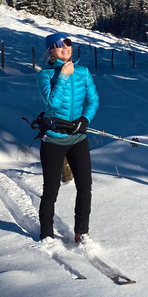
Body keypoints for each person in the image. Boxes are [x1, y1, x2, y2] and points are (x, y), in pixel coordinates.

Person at [36, 32, 99, 243]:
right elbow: (52, 105)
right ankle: (46, 234)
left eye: (69, 44)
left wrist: (85, 119)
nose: (66, 48)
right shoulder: (45, 76)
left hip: (78, 138)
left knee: (85, 187)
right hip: (53, 140)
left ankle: (82, 232)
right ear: (51, 51)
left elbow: (93, 100)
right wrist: (62, 75)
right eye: (60, 45)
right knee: (51, 190)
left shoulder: (83, 72)